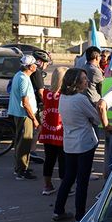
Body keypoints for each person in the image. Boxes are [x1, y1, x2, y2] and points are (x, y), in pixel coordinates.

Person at [54, 69, 108, 222]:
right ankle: (80, 215)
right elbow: (96, 119)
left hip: (70, 143)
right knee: (82, 181)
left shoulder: (63, 97)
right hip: (84, 143)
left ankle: (58, 210)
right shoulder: (80, 99)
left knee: (69, 178)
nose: (87, 81)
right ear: (76, 82)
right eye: (84, 79)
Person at [8, 54, 40, 180]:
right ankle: (21, 170)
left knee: (21, 141)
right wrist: (34, 119)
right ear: (30, 66)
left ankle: (21, 167)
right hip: (24, 115)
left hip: (20, 114)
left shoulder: (19, 76)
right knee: (25, 142)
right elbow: (25, 103)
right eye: (35, 64)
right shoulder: (23, 79)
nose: (36, 66)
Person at [38, 67, 67, 196]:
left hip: (47, 131)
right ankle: (65, 186)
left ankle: (47, 185)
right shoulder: (65, 95)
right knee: (63, 160)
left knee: (49, 159)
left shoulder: (46, 93)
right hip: (61, 132)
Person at [28, 50, 52, 165]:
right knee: (38, 127)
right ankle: (31, 151)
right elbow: (41, 92)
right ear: (41, 62)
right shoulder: (37, 72)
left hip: (29, 102)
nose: (47, 66)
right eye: (47, 63)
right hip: (34, 104)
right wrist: (47, 104)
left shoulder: (31, 70)